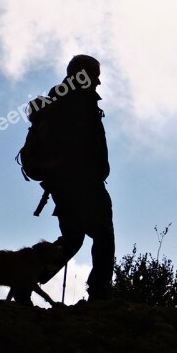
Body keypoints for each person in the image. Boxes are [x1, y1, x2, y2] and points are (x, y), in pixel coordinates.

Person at [37, 54, 115, 301]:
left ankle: (28, 276)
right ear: (84, 74)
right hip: (82, 183)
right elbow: (84, 144)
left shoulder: (59, 99)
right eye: (96, 76)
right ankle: (100, 293)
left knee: (73, 238)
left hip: (63, 183)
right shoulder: (78, 100)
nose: (99, 83)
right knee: (103, 235)